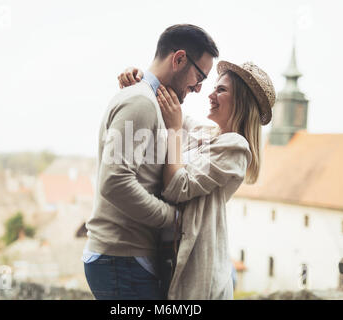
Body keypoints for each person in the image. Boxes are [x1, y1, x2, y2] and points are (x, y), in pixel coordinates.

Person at [83, 24, 219, 300]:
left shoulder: (152, 102)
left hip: (126, 259)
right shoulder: (140, 102)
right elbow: (115, 183)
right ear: (179, 59)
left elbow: (208, 134)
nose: (199, 88)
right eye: (199, 75)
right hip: (122, 259)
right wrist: (175, 219)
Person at [118, 60, 276, 299]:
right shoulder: (205, 133)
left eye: (221, 90)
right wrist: (142, 80)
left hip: (200, 279)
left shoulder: (236, 147)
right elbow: (168, 107)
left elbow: (176, 188)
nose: (210, 95)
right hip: (166, 259)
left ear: (241, 102)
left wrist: (173, 130)